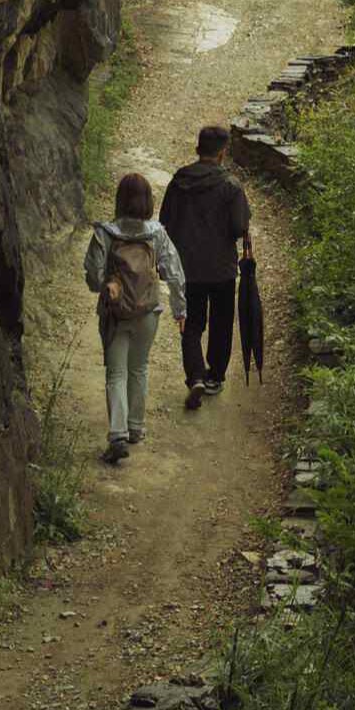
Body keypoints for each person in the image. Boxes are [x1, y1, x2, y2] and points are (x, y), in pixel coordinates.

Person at [83, 171, 186, 466]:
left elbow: (93, 276)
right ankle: (136, 428)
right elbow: (175, 274)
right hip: (148, 312)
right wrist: (181, 311)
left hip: (116, 313)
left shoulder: (105, 233)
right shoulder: (156, 234)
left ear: (120, 199)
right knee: (139, 368)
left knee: (116, 373)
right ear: (148, 201)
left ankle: (118, 434)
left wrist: (106, 287)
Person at [157, 125, 252, 408]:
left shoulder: (179, 182)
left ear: (198, 149)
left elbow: (165, 221)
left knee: (192, 323)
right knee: (221, 323)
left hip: (187, 268)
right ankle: (214, 377)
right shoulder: (231, 186)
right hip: (221, 268)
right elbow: (239, 227)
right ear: (223, 153)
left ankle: (195, 375)